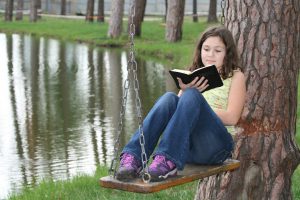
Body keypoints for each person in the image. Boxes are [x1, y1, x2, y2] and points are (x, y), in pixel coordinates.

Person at [116, 26, 246, 182]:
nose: (210, 55)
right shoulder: (194, 73)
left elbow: (232, 118)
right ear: (200, 50)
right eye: (206, 49)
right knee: (169, 98)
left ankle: (166, 160)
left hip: (216, 147)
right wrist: (184, 91)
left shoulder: (235, 76)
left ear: (227, 53)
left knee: (192, 95)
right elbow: (177, 114)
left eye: (218, 51)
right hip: (188, 148)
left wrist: (198, 106)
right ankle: (134, 157)